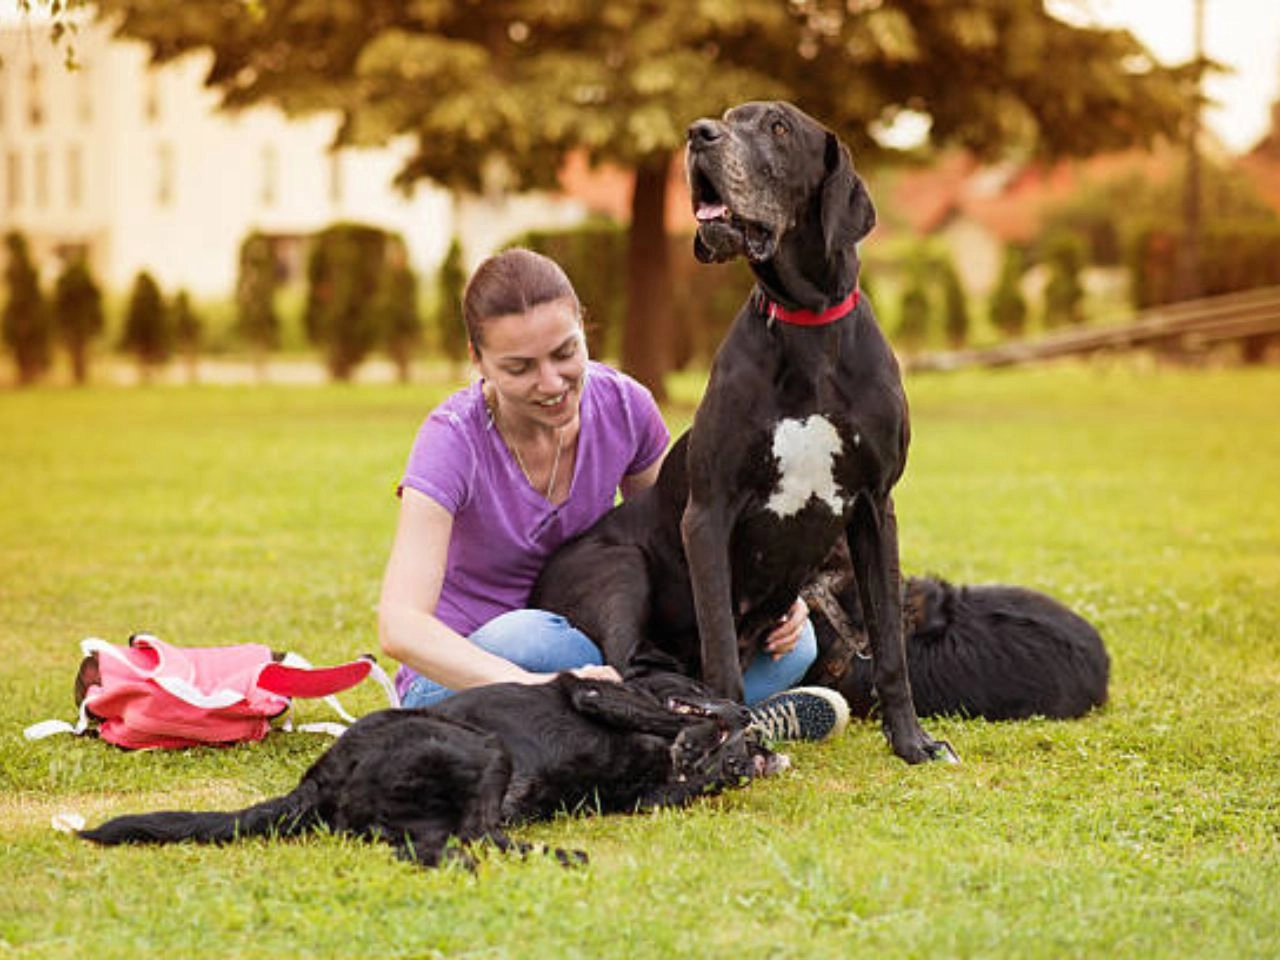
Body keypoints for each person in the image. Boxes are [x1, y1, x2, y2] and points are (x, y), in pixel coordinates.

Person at [377, 248, 848, 742]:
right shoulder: (450, 440)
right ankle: (695, 719)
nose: (551, 383)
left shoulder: (624, 406)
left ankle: (667, 719)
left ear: (584, 326)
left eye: (565, 353)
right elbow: (400, 627)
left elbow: (675, 542)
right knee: (541, 639)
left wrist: (766, 596)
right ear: (477, 360)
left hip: (603, 649)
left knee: (794, 647)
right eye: (519, 368)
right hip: (478, 667)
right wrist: (540, 682)